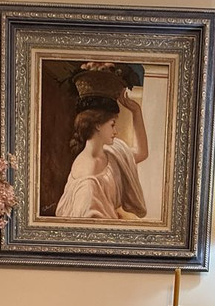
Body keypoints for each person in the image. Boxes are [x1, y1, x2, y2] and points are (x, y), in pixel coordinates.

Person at [55, 87, 148, 220]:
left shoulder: (112, 152)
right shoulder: (88, 175)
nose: (115, 131)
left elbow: (141, 152)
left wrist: (136, 111)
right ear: (98, 125)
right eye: (112, 125)